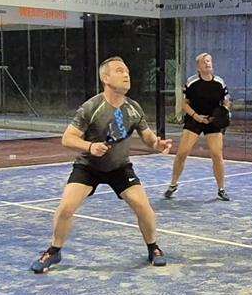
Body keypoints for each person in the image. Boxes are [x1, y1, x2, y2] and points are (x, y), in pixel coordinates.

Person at [30, 56, 173, 273]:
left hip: (119, 168)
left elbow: (147, 137)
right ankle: (54, 251)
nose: (126, 75)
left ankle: (153, 248)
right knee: (66, 208)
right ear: (106, 78)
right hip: (88, 167)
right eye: (119, 71)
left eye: (127, 71)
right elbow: (68, 138)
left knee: (144, 207)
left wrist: (157, 143)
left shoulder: (134, 108)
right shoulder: (91, 107)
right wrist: (90, 147)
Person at [164, 52, 231, 201]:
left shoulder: (220, 82)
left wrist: (222, 112)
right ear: (198, 66)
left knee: (217, 154)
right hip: (194, 119)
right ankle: (173, 184)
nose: (208, 63)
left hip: (212, 121)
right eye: (204, 62)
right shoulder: (192, 82)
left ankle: (221, 189)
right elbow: (184, 104)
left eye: (209, 61)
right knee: (182, 153)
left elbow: (226, 102)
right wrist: (196, 117)